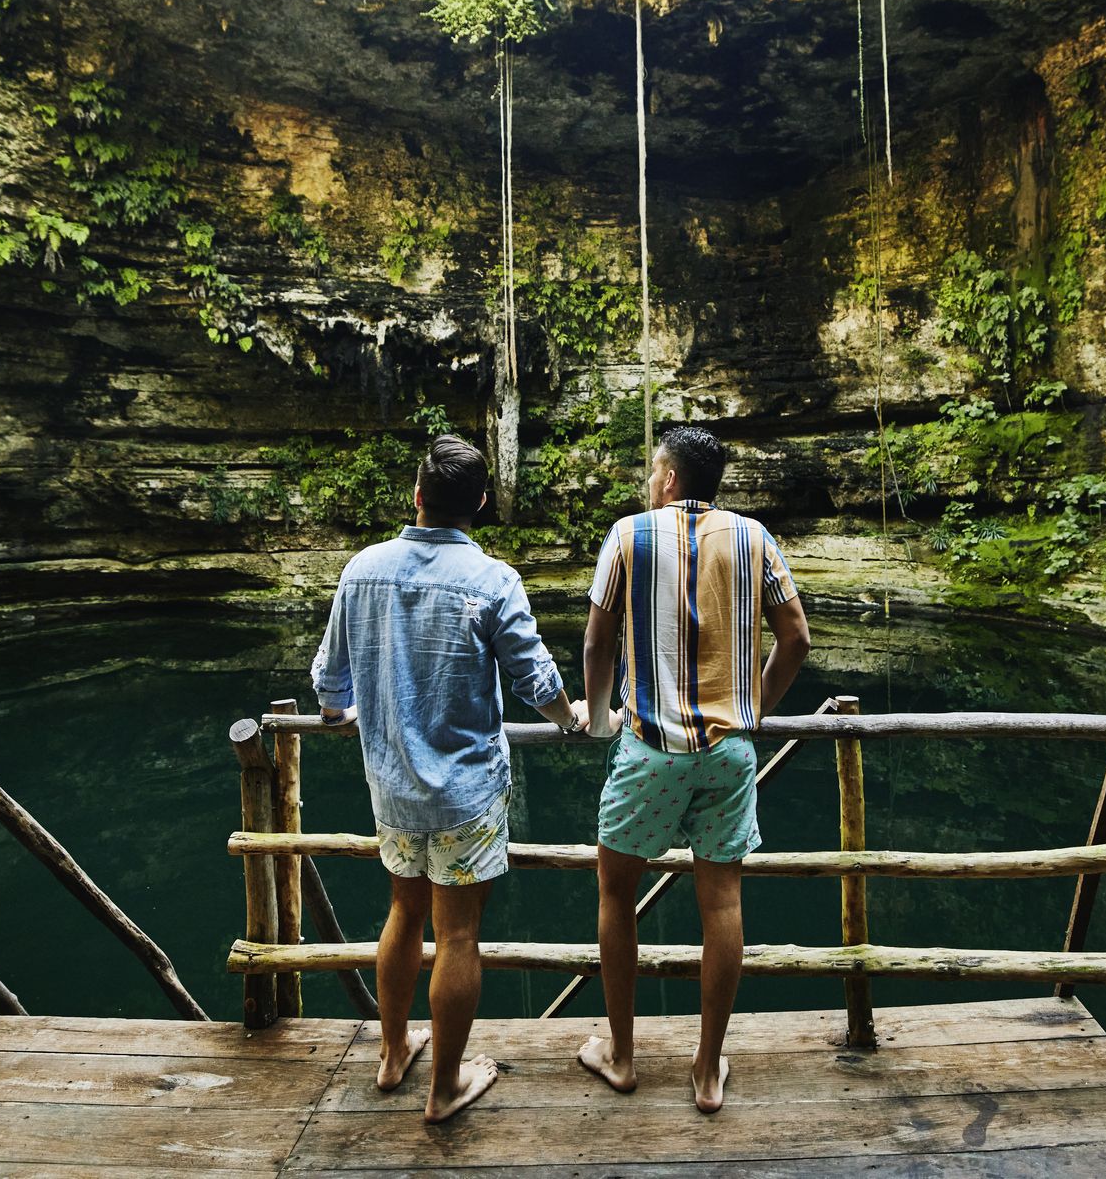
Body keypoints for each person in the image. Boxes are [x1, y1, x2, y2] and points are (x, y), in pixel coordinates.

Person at [311, 433, 588, 1124]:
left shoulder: (362, 569)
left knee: (403, 912)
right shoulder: (492, 579)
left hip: (393, 788)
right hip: (465, 793)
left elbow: (329, 682)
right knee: (457, 936)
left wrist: (338, 712)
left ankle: (393, 1052)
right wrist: (573, 716)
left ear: (417, 496)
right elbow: (537, 681)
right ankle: (443, 1092)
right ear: (482, 505)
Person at [575, 425, 812, 1112]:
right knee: (724, 904)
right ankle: (707, 1072)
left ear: (670, 479)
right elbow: (795, 636)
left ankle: (621, 1057)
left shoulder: (627, 535)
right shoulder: (754, 538)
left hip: (649, 749)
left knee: (616, 893)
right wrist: (755, 707)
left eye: (655, 471)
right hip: (728, 753)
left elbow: (597, 643)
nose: (651, 481)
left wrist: (597, 719)